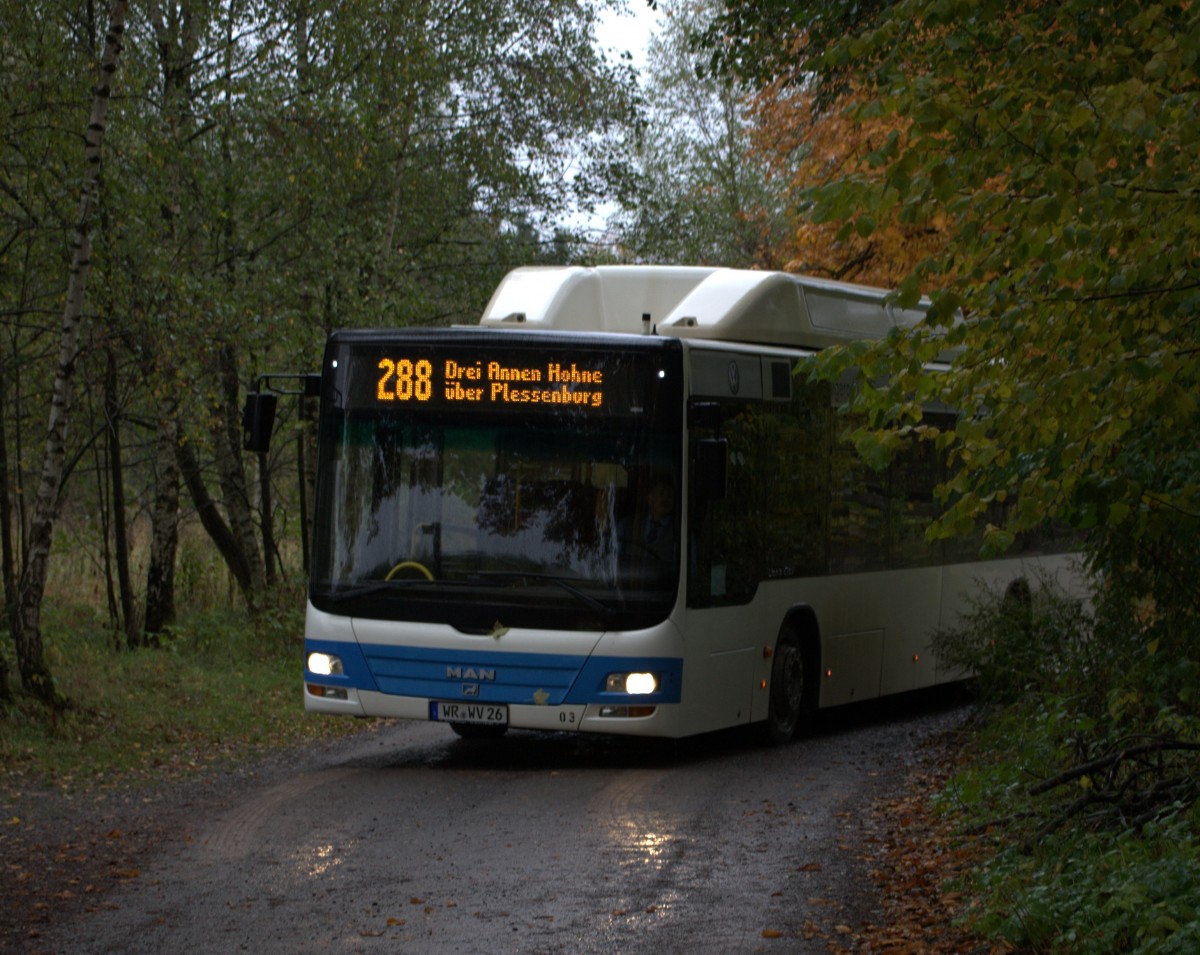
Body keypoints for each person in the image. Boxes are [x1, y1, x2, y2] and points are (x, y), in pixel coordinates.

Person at [618, 472, 677, 582]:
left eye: (669, 496)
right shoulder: (626, 525)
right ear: (650, 498)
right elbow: (612, 559)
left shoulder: (680, 534)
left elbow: (689, 572)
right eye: (661, 494)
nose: (665, 500)